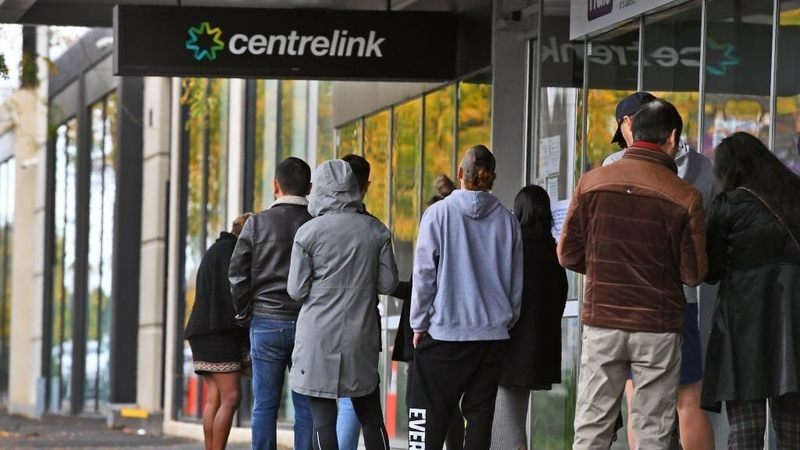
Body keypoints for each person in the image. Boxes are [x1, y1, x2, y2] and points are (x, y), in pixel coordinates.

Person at [559, 98, 707, 449]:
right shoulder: (685, 196)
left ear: (631, 131)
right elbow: (694, 273)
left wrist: (603, 270)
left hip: (602, 321)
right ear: (672, 138)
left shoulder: (591, 183)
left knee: (592, 428)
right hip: (658, 327)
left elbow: (567, 254)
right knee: (653, 430)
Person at [604, 92, 715, 450]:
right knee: (688, 400)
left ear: (628, 124)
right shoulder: (703, 168)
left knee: (638, 398)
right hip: (681, 296)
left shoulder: (614, 165)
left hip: (627, 300)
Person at [409, 144, 523, 450]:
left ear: (460, 173)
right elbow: (515, 282)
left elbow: (423, 276)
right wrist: (505, 321)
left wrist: (418, 324)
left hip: (445, 332)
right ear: (493, 177)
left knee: (428, 410)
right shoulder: (508, 221)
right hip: (492, 337)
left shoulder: (437, 215)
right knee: (480, 414)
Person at [288, 159, 399, 450]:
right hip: (360, 334)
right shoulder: (376, 230)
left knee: (322, 418)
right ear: (353, 187)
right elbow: (388, 284)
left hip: (317, 336)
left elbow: (296, 290)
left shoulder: (308, 233)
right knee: (371, 416)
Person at [701, 131, 800, 448]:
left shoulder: (727, 204)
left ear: (729, 169)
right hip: (795, 322)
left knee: (745, 429)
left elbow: (711, 271)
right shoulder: (796, 194)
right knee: (793, 430)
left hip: (744, 324)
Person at [228, 157, 313, 450]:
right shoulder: (315, 224)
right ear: (310, 188)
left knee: (264, 405)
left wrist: (244, 313)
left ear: (275, 186)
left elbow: (237, 273)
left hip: (264, 323)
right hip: (307, 324)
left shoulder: (256, 224)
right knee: (306, 407)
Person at [489, 185, 568, 450]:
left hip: (509, 350)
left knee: (504, 429)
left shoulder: (513, 248)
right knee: (513, 419)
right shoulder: (555, 252)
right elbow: (559, 300)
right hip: (540, 352)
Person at [392, 174, 464, 450]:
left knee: (419, 403)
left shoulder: (438, 250)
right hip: (439, 335)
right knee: (448, 402)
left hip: (426, 337)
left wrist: (418, 325)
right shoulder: (452, 250)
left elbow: (420, 286)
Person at [184, 213, 252, 450]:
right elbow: (235, 295)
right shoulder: (233, 252)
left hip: (200, 332)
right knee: (232, 397)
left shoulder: (216, 250)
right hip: (218, 332)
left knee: (215, 398)